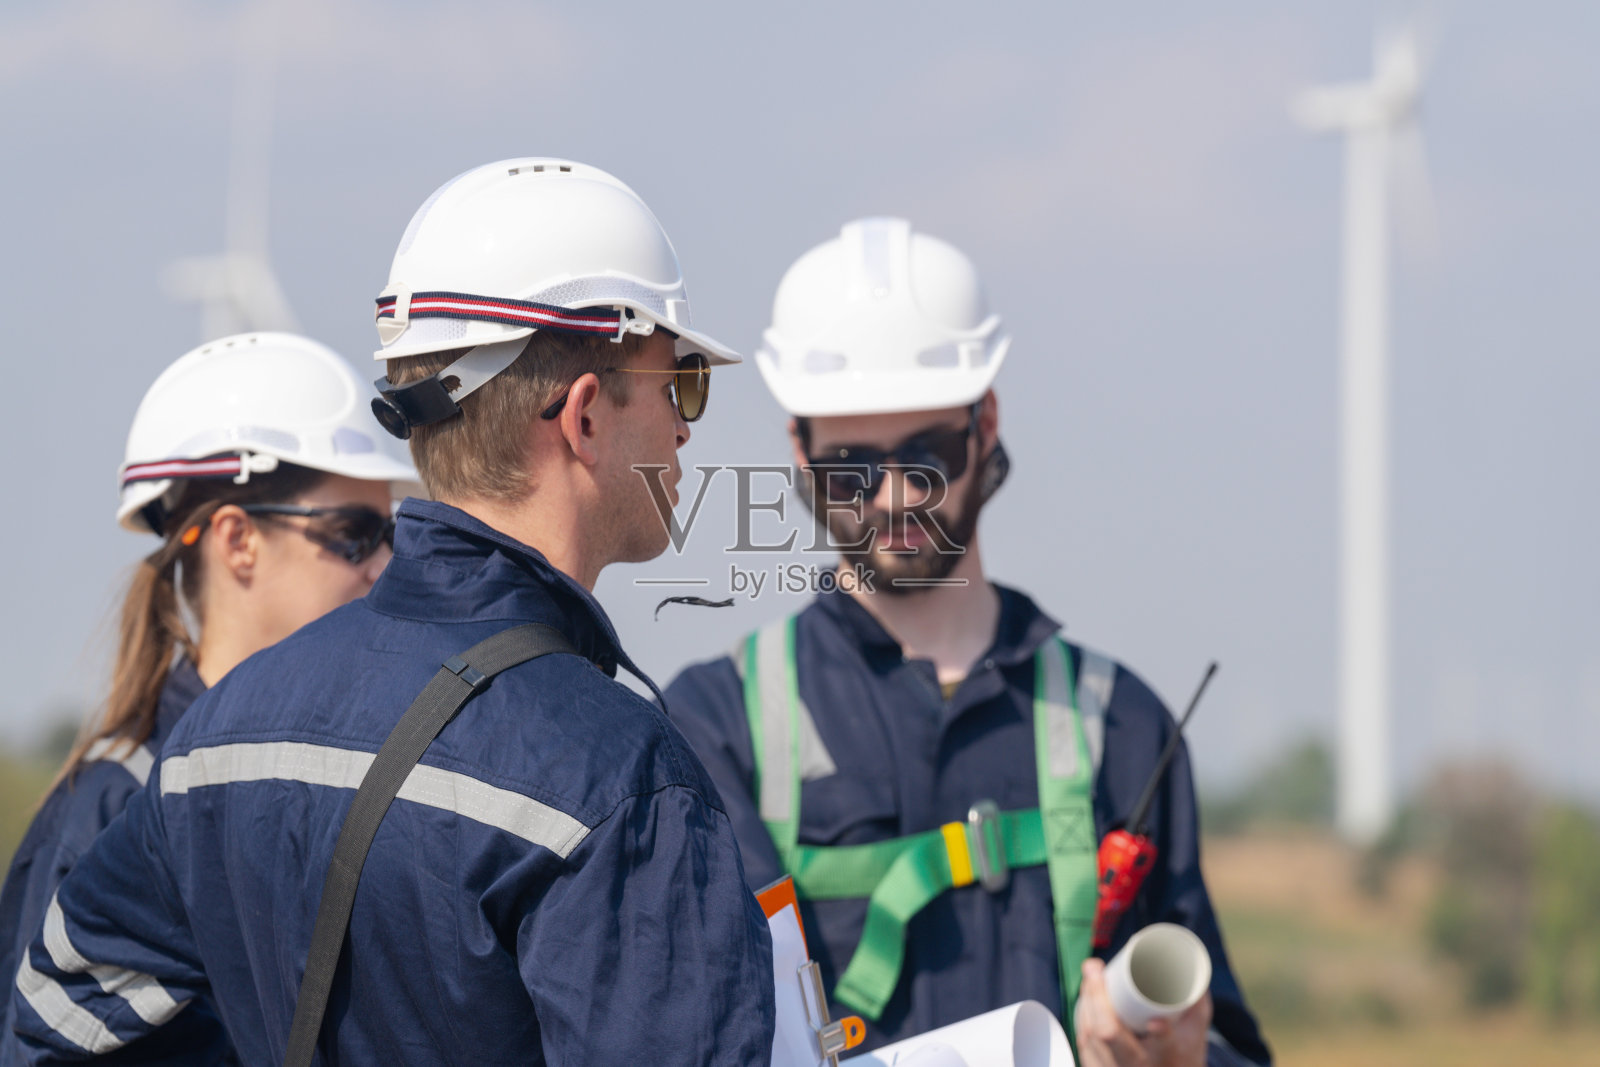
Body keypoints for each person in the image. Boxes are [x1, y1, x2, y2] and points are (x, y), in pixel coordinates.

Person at [11, 160, 774, 1064]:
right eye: (678, 380)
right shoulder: (617, 774)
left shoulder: (218, 732)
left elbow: (56, 1020)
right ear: (585, 416)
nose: (687, 426)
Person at [664, 218, 1272, 1065]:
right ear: (799, 451)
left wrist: (1183, 1058)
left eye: (927, 454)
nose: (891, 497)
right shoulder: (714, 726)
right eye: (852, 466)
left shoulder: (1122, 726)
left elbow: (1227, 1041)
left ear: (986, 423)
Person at [0, 331, 417, 1065]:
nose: (385, 567)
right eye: (353, 534)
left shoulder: (341, 787)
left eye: (394, 535)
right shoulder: (113, 807)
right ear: (237, 541)